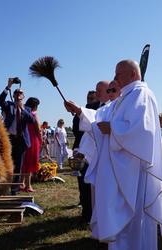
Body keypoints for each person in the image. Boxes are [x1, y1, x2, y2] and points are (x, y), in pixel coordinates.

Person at [65, 60, 162, 250]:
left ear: (133, 74)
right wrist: (79, 111)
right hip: (120, 169)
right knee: (121, 217)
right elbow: (101, 116)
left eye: (118, 74)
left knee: (134, 218)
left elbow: (143, 132)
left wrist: (113, 129)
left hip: (134, 171)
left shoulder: (142, 94)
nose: (115, 78)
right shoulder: (125, 97)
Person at [72, 83, 109, 223]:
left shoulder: (113, 107)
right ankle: (88, 214)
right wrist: (80, 150)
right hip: (88, 154)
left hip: (102, 156)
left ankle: (97, 217)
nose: (97, 94)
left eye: (99, 91)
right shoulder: (93, 108)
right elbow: (83, 131)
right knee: (86, 187)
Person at [0, 78, 35, 195]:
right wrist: (8, 86)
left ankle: (14, 190)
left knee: (18, 166)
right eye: (16, 92)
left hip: (21, 141)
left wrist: (22, 109)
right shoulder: (8, 106)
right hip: (9, 140)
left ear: (23, 96)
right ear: (13, 95)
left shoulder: (27, 109)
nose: (18, 94)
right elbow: (0, 100)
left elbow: (32, 121)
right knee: (6, 163)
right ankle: (3, 188)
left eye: (21, 93)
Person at [20, 97, 41, 192]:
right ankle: (28, 186)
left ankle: (21, 183)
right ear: (35, 106)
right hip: (33, 140)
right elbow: (38, 129)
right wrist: (41, 140)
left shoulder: (22, 113)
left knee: (24, 162)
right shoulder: (34, 115)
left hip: (24, 140)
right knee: (31, 163)